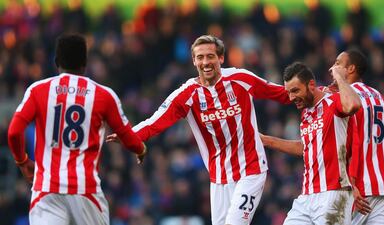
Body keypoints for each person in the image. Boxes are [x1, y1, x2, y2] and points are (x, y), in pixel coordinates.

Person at [107, 34, 291, 225]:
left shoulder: (240, 78)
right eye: (200, 57)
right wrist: (129, 135)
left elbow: (279, 92)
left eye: (210, 56)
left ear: (220, 58)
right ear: (194, 61)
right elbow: (156, 121)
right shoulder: (187, 94)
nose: (206, 62)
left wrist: (317, 94)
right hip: (219, 178)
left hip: (251, 169)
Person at [7, 33, 147, 225]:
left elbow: (14, 131)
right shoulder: (104, 95)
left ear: (56, 62)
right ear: (84, 64)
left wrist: (22, 161)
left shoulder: (38, 90)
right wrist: (141, 149)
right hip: (85, 192)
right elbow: (128, 138)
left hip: (47, 191)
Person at [260, 61, 362, 224]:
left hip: (334, 193)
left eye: (295, 90)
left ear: (311, 85)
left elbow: (354, 104)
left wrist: (339, 77)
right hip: (307, 196)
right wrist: (266, 140)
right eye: (288, 92)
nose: (291, 97)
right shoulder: (306, 112)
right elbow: (306, 147)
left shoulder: (333, 101)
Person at [332, 49, 384, 224]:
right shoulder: (378, 96)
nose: (333, 68)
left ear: (350, 69)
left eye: (338, 63)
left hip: (359, 189)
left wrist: (352, 185)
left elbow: (350, 144)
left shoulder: (346, 99)